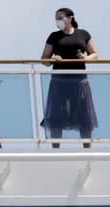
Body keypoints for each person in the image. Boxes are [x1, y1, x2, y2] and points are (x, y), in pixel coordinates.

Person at [40, 7, 98, 148]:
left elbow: (95, 54)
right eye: (56, 18)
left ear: (70, 18)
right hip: (59, 81)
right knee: (56, 116)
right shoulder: (54, 36)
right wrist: (53, 59)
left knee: (84, 116)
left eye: (60, 17)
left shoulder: (83, 34)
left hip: (79, 81)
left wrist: (84, 59)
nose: (58, 21)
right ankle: (55, 150)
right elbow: (44, 59)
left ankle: (87, 151)